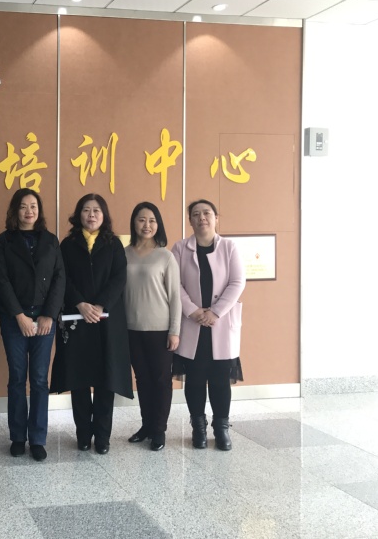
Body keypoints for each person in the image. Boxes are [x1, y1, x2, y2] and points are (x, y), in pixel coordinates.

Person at [50, 194, 133, 454]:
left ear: (104, 215)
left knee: (106, 380)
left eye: (96, 210)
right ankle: (83, 434)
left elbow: (119, 278)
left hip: (107, 321)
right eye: (86, 210)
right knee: (79, 380)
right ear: (79, 214)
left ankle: (103, 437)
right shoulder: (68, 244)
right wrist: (80, 304)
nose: (91, 215)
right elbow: (62, 278)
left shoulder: (114, 244)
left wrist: (100, 305)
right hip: (78, 320)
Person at [0, 189, 65, 461]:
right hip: (15, 320)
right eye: (23, 206)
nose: (29, 211)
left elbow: (59, 278)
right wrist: (19, 316)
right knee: (16, 378)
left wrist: (49, 315)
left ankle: (37, 438)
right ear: (15, 210)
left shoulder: (50, 240)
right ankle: (17, 437)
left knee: (39, 379)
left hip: (44, 320)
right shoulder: (4, 241)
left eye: (33, 206)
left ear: (39, 210)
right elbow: (0, 280)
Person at [171, 199, 245, 451]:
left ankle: (221, 428)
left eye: (207, 213)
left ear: (216, 218)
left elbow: (237, 282)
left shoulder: (229, 247)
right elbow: (174, 284)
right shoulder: (180, 248)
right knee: (194, 379)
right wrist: (192, 311)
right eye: (196, 214)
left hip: (220, 324)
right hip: (192, 323)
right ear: (190, 220)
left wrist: (215, 312)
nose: (201, 217)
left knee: (220, 380)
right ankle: (198, 427)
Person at [124, 202, 181, 452]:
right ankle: (146, 425)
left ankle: (159, 429)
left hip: (160, 329)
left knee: (161, 380)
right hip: (131, 328)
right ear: (134, 223)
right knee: (142, 380)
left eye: (152, 220)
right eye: (141, 220)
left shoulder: (165, 256)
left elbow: (175, 297)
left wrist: (174, 331)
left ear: (158, 225)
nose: (147, 225)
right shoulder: (124, 254)